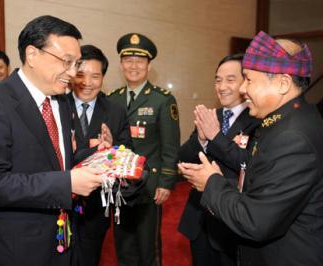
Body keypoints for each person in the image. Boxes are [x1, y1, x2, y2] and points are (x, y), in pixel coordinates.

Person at [178, 31, 323, 266]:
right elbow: (257, 166)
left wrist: (211, 182)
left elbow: (256, 221)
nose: (242, 89)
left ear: (283, 83)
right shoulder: (284, 121)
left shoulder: (292, 136)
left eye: (249, 79)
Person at [0, 15, 104, 266]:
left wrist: (97, 157)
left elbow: (56, 161)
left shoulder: (62, 101)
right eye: (67, 61)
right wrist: (66, 184)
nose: (74, 72)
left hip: (62, 238)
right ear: (32, 54)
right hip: (17, 248)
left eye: (77, 63)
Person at [178, 54, 259, 266]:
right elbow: (183, 156)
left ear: (246, 82)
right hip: (199, 218)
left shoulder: (258, 119)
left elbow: (250, 167)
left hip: (230, 224)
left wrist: (216, 137)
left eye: (230, 80)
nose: (222, 87)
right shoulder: (213, 115)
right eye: (218, 80)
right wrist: (202, 140)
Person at [107, 33, 180, 266]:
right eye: (128, 60)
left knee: (148, 248)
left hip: (149, 186)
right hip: (120, 186)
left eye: (140, 61)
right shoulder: (112, 100)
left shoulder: (162, 100)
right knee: (123, 245)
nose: (134, 66)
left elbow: (170, 145)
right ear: (121, 64)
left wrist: (166, 182)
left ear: (149, 66)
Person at [67, 44, 131, 266]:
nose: (87, 82)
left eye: (95, 76)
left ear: (103, 77)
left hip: (96, 206)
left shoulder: (115, 111)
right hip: (61, 202)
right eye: (81, 74)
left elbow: (126, 156)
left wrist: (113, 150)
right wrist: (95, 150)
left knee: (89, 258)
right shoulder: (57, 105)